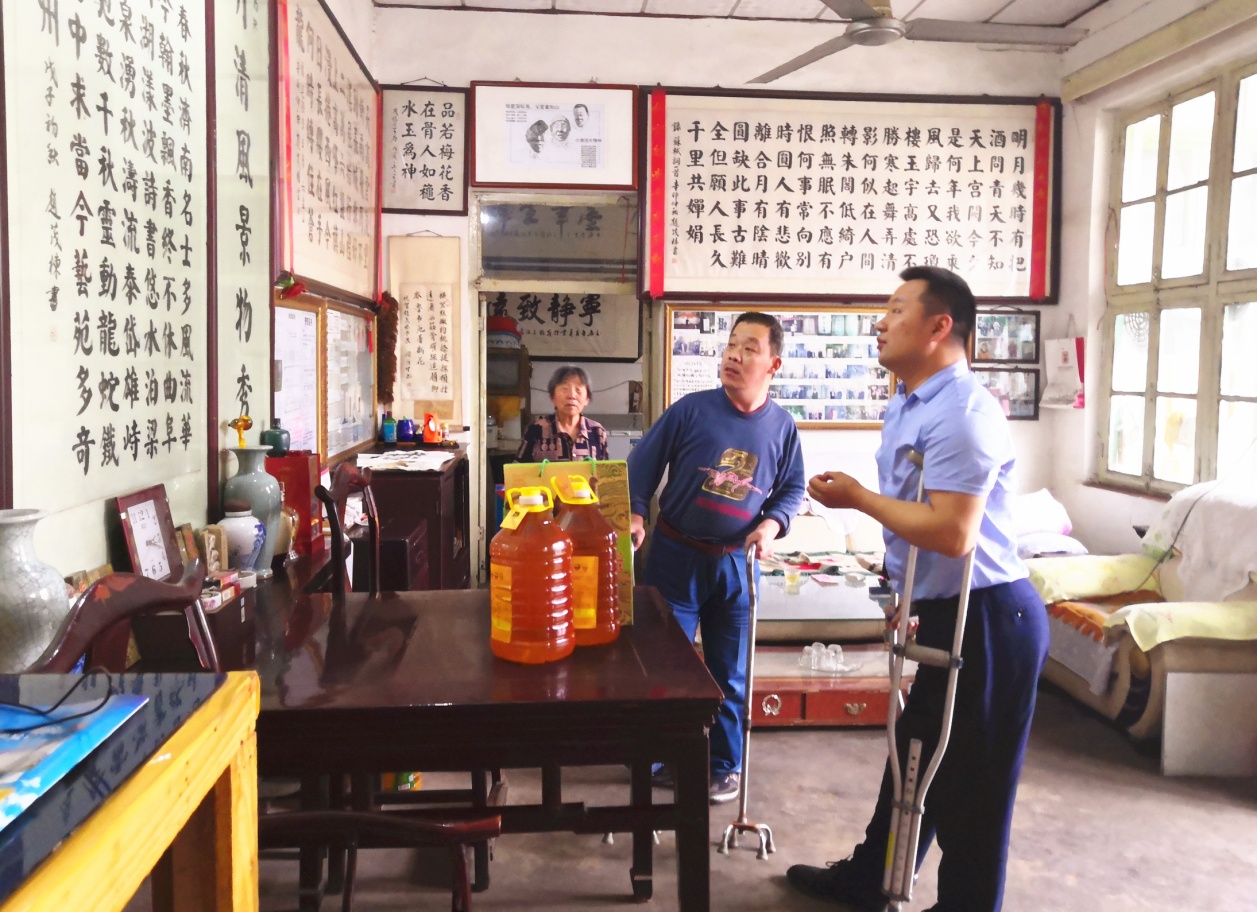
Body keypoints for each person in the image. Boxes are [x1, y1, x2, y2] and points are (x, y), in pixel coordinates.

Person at [786, 267, 1049, 912]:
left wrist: (858, 499)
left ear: (939, 326)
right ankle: (870, 879)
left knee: (973, 789)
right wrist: (902, 593)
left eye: (897, 310)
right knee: (913, 759)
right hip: (944, 608)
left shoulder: (963, 413)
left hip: (989, 617)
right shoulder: (910, 403)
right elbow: (916, 524)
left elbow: (953, 532)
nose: (881, 324)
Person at [627, 312, 805, 804]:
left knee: (731, 671)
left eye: (749, 348)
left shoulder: (782, 427)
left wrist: (772, 525)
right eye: (731, 345)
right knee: (663, 664)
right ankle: (657, 758)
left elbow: (792, 489)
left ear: (773, 364)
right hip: (674, 556)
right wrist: (636, 513)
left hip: (736, 565)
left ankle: (725, 765)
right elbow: (641, 466)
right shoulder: (691, 411)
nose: (734, 355)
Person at [515, 366, 609, 463]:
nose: (572, 395)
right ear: (552, 397)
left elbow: (605, 471)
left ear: (587, 399)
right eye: (565, 389)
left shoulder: (597, 432)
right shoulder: (536, 430)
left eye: (578, 390)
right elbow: (517, 469)